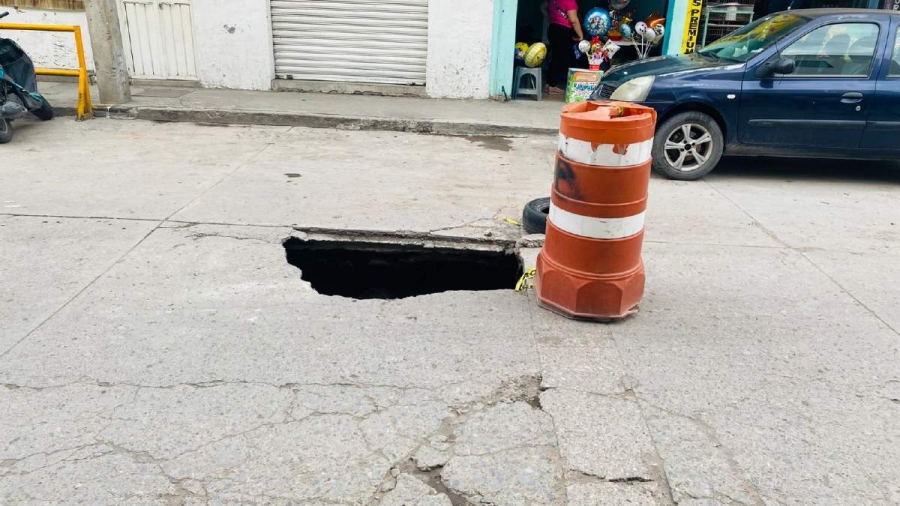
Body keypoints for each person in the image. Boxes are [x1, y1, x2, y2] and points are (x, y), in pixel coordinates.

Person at [546, 0, 584, 94]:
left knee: (555, 57)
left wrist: (551, 18)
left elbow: (542, 7)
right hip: (563, 31)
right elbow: (574, 20)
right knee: (560, 58)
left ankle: (549, 83)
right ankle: (552, 85)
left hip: (553, 28)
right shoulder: (569, 1)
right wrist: (581, 36)